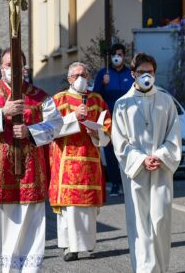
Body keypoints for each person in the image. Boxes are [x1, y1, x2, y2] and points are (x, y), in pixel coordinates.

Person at [0, 49, 63, 272]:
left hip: (30, 170)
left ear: (25, 68)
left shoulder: (39, 97)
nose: (13, 69)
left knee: (29, 223)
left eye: (17, 65)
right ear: (0, 67)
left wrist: (30, 131)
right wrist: (2, 112)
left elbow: (56, 125)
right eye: (8, 65)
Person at [111, 53, 181, 272]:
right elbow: (119, 141)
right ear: (133, 74)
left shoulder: (166, 101)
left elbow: (174, 135)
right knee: (140, 223)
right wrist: (141, 159)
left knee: (160, 219)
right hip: (137, 173)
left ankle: (161, 268)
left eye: (150, 72)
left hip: (161, 169)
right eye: (142, 72)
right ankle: (144, 269)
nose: (146, 76)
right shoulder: (122, 104)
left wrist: (159, 156)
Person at [50, 62, 112, 261]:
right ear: (69, 79)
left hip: (90, 160)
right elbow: (50, 129)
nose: (82, 78)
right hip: (66, 159)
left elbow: (108, 128)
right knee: (70, 208)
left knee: (88, 208)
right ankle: (70, 247)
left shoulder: (97, 100)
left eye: (85, 74)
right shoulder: (59, 100)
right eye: (77, 75)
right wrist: (72, 117)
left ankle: (87, 243)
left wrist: (97, 132)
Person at [93, 43, 131, 196]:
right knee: (111, 151)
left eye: (120, 54)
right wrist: (103, 83)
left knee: (127, 149)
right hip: (109, 118)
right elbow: (95, 95)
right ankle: (115, 183)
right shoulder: (104, 73)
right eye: (115, 55)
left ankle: (127, 180)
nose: (117, 58)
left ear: (124, 56)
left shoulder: (130, 73)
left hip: (128, 118)